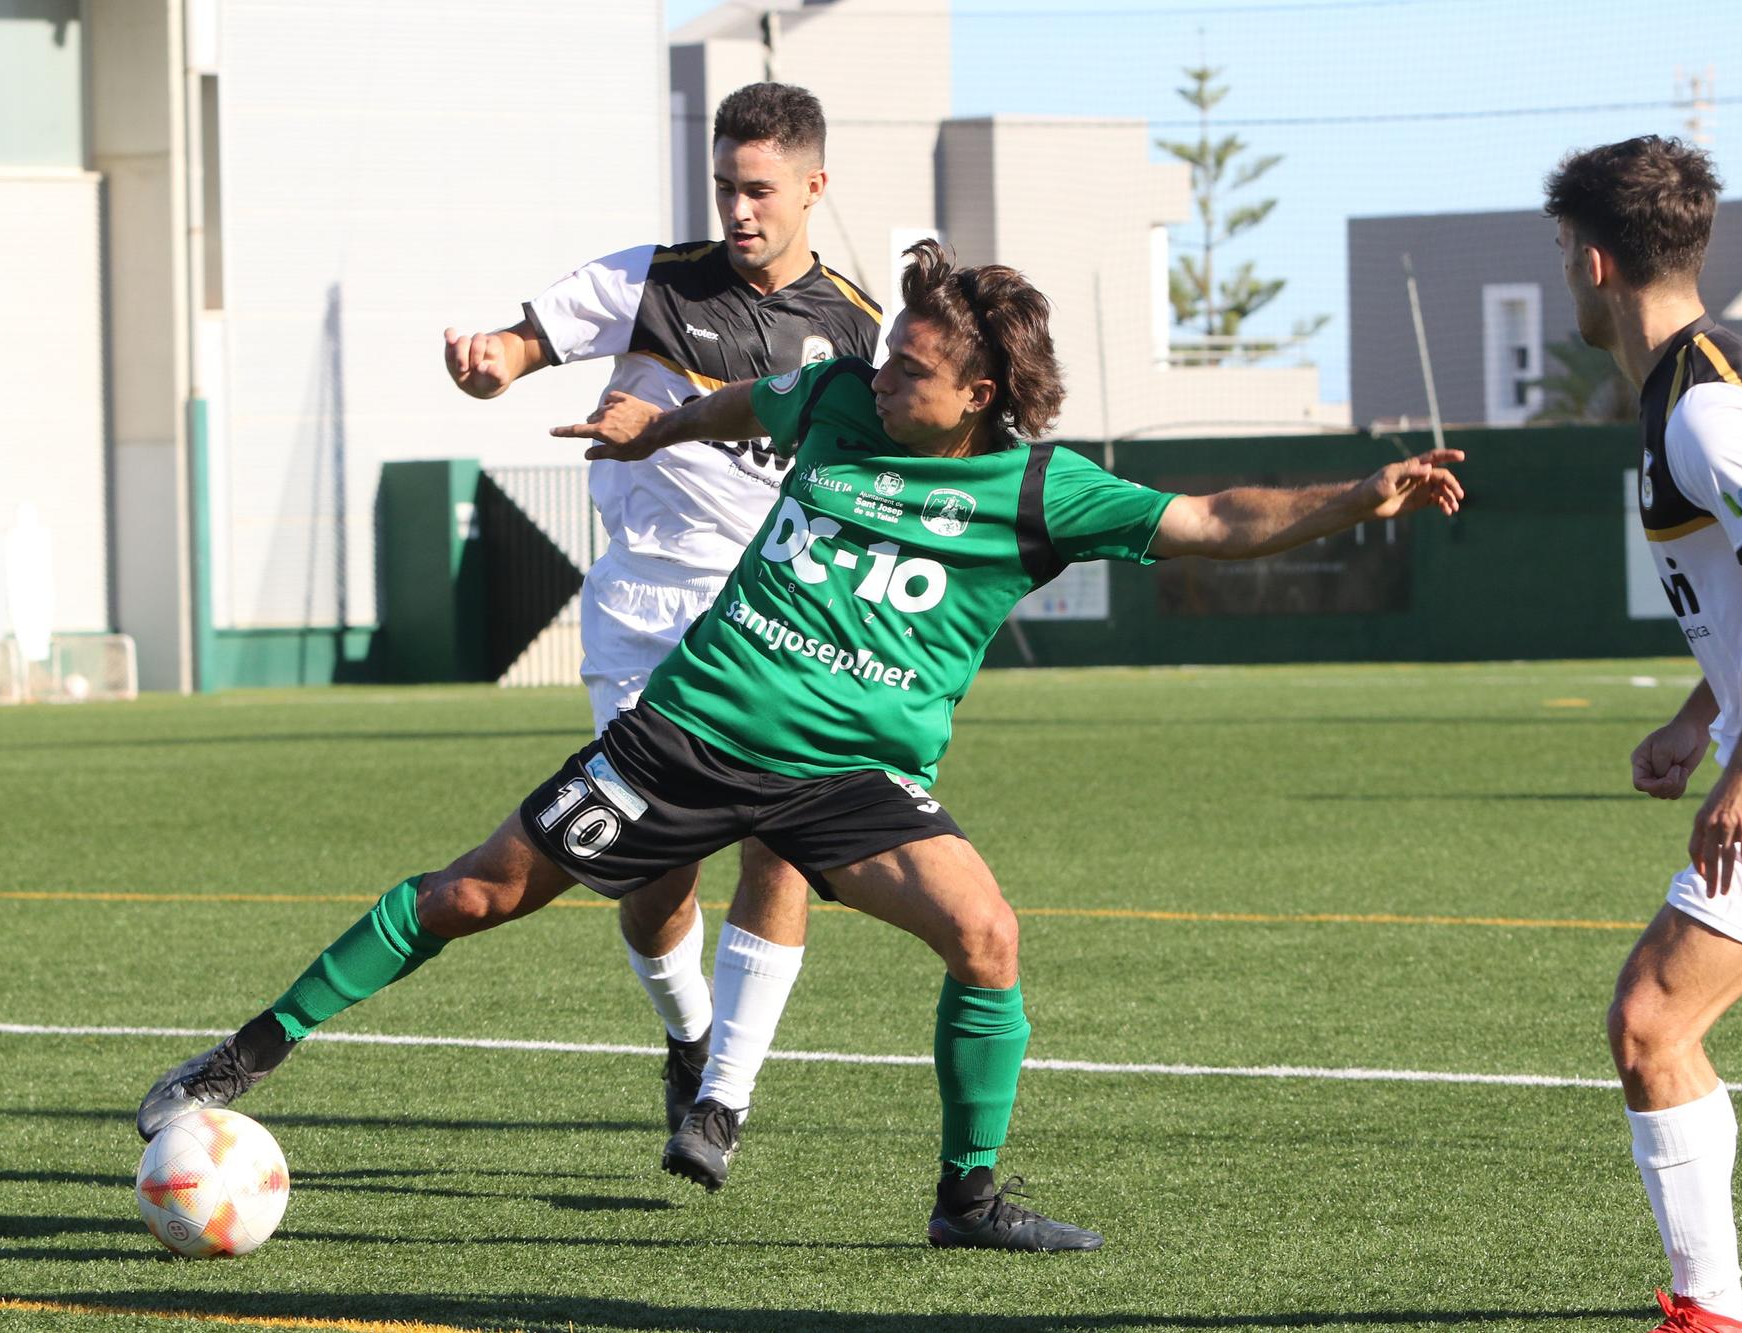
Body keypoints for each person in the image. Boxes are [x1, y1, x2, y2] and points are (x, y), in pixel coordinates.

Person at [137, 239, 1461, 1250]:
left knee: (986, 932)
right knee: (477, 891)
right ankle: (240, 1054)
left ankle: (969, 1197)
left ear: (984, 394)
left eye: (915, 369)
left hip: (849, 782)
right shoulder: (836, 398)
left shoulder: (1044, 491)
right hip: (690, 735)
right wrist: (655, 425)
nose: (882, 372)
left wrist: (1362, 494)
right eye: (885, 357)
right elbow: (741, 406)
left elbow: (1217, 518)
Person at [440, 82, 882, 1133]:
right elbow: (520, 342)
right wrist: (486, 366)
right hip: (645, 607)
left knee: (780, 842)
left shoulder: (860, 330)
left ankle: (723, 1098)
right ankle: (687, 1032)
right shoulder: (650, 280)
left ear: (813, 188)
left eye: (760, 191)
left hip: (781, 615)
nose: (738, 211)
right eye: (725, 187)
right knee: (653, 872)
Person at [1550, 135, 1742, 1333]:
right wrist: (1699, 714)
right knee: (1658, 1021)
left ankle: (1711, 1311)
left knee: (1650, 1019)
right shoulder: (1689, 385)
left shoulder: (1703, 411)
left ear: (1589, 262)